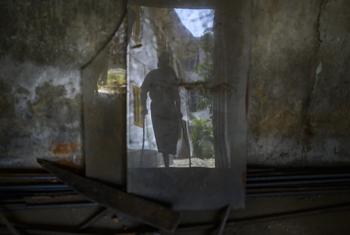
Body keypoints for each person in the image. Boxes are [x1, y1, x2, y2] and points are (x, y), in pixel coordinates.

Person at [141, 52, 182, 167]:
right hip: (158, 109)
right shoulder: (152, 75)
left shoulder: (171, 75)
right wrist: (143, 107)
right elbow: (143, 90)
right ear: (160, 62)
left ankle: (168, 158)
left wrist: (178, 110)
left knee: (172, 133)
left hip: (170, 109)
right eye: (163, 61)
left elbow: (176, 94)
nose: (165, 64)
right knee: (161, 134)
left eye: (167, 61)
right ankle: (166, 162)